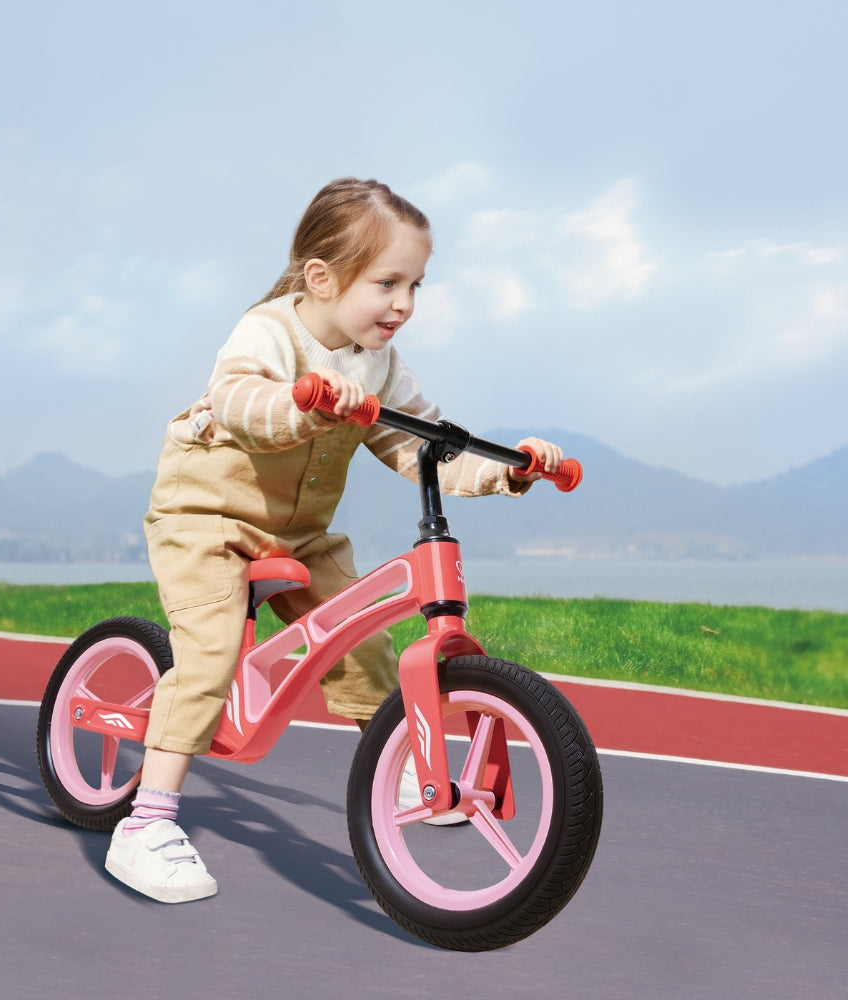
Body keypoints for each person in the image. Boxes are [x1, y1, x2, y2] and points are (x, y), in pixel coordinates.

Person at [104, 177, 564, 903]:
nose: (405, 303)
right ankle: (147, 823)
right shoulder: (269, 331)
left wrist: (513, 470)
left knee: (364, 640)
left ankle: (410, 762)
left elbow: (425, 446)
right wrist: (304, 403)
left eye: (415, 284)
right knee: (211, 657)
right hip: (208, 522)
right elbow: (239, 400)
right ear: (320, 278)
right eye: (388, 282)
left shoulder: (378, 364)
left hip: (301, 533)